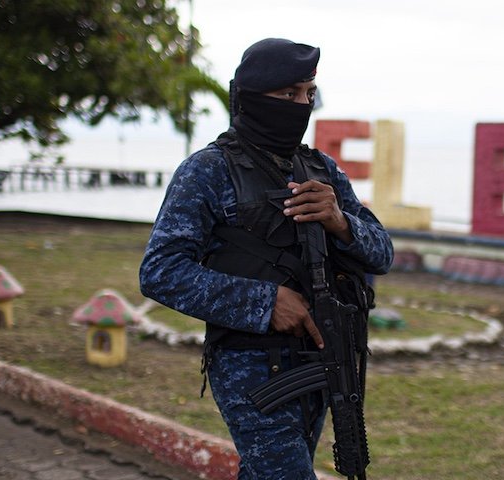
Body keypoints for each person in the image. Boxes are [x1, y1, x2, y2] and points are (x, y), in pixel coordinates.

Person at [139, 38, 393, 478]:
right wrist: (264, 302)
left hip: (320, 358)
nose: (301, 105)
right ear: (253, 98)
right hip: (250, 363)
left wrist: (339, 221)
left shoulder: (322, 170)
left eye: (308, 94)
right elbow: (160, 271)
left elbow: (382, 254)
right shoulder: (208, 170)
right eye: (288, 94)